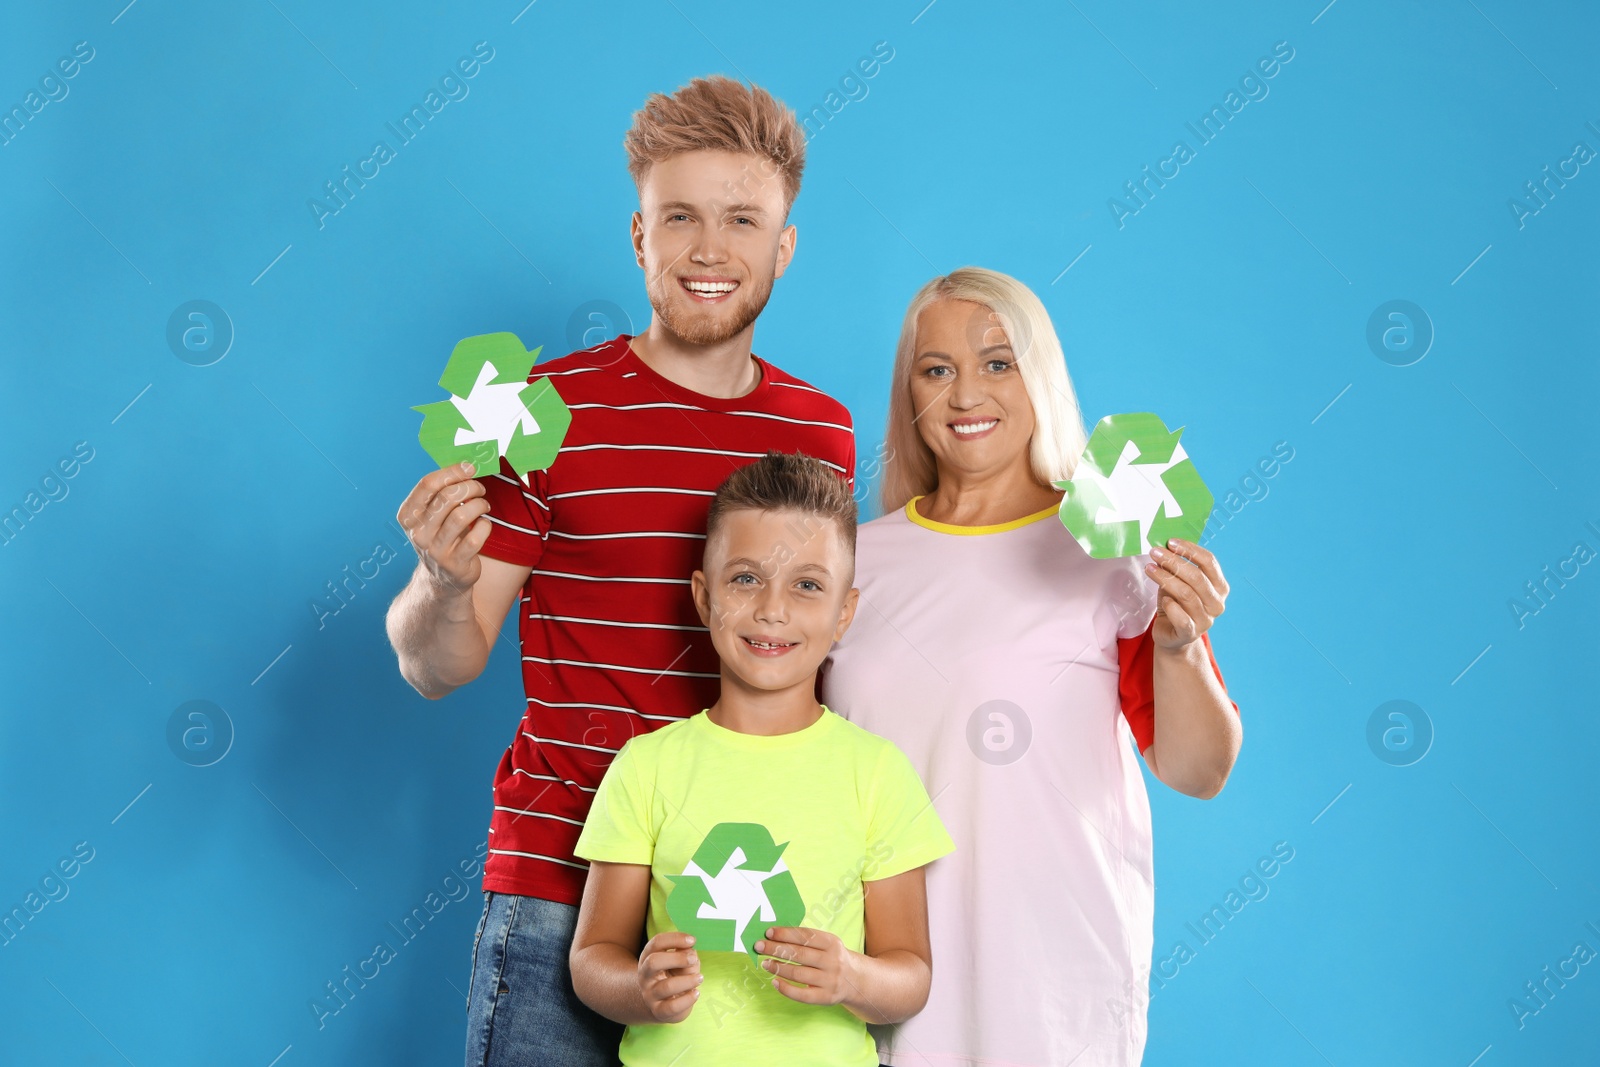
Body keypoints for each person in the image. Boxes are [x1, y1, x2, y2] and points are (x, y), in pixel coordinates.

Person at [384, 77, 855, 1067]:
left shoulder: (823, 436)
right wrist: (438, 578)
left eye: (741, 219)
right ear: (639, 236)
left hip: (746, 902)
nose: (708, 249)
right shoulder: (546, 410)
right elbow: (439, 664)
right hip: (559, 886)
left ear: (784, 245)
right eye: (677, 216)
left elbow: (826, 662)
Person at [820, 267, 1242, 1066]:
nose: (965, 392)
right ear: (909, 393)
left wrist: (1180, 643)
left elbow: (1199, 768)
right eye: (936, 368)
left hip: (1054, 994)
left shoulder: (1114, 552)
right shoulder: (849, 564)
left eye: (998, 361)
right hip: (875, 985)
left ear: (1040, 374)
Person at [569, 451, 955, 1065]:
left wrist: (852, 978)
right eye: (746, 578)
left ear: (844, 613)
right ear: (704, 596)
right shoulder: (645, 768)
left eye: (807, 584)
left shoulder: (878, 774)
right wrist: (638, 989)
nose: (773, 609)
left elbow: (910, 976)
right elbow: (593, 958)